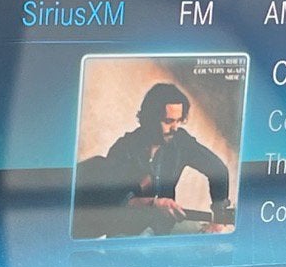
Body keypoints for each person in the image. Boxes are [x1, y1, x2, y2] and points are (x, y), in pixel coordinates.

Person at [97, 82, 234, 234]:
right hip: (128, 233)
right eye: (168, 121)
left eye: (179, 120)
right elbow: (114, 204)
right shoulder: (123, 149)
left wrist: (219, 219)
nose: (175, 128)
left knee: (220, 236)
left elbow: (218, 170)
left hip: (164, 228)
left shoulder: (181, 141)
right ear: (150, 118)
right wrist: (154, 204)